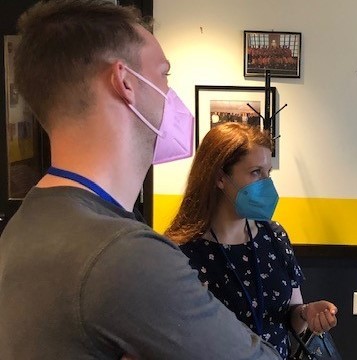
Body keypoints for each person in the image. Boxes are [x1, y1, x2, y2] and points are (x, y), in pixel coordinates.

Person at [0, 1, 280, 359]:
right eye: (164, 75)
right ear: (125, 82)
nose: (170, 95)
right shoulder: (124, 254)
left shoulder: (26, 224)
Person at [165, 122, 338, 359]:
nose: (266, 183)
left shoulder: (275, 237)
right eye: (256, 172)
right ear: (219, 178)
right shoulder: (182, 252)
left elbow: (290, 316)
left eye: (269, 173)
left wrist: (307, 313)